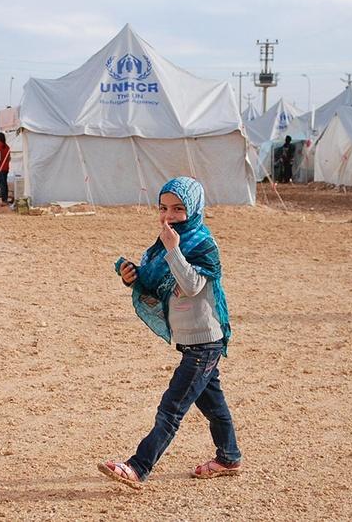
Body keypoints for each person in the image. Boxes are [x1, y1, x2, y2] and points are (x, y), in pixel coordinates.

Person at [98, 176, 241, 490]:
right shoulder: (162, 244)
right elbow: (155, 285)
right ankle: (229, 457)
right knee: (214, 405)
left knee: (171, 407)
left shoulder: (202, 242)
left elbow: (191, 286)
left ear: (193, 208)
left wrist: (174, 250)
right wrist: (132, 277)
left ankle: (138, 467)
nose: (168, 216)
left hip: (206, 342)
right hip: (190, 342)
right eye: (163, 208)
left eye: (178, 209)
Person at [0, 132, 11, 206]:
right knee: (5, 184)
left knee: (2, 184)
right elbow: (9, 158)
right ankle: (5, 199)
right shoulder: (7, 146)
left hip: (0, 168)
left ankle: (4, 200)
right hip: (6, 168)